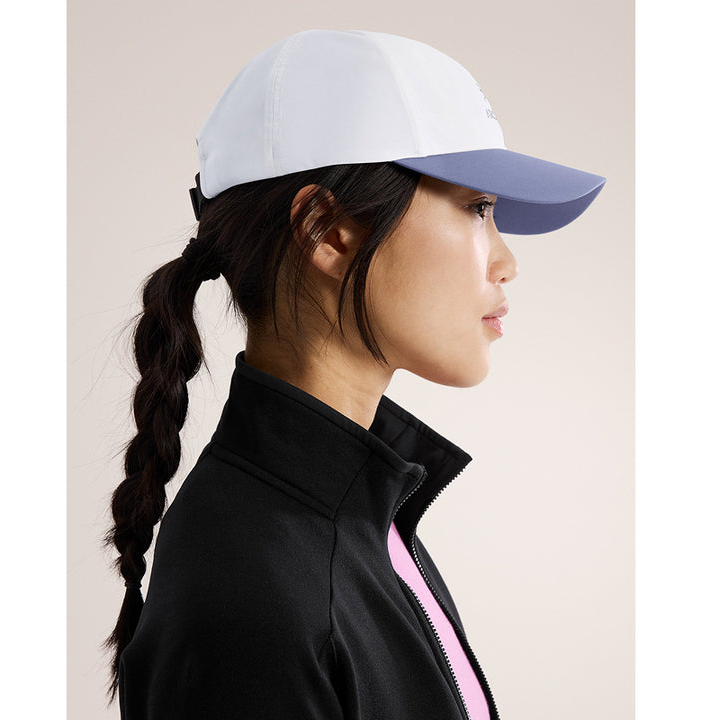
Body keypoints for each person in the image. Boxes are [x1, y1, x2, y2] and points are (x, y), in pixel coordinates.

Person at [102, 29, 606, 719]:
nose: (506, 261)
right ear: (327, 230)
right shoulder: (254, 592)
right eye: (477, 208)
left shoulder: (355, 518)